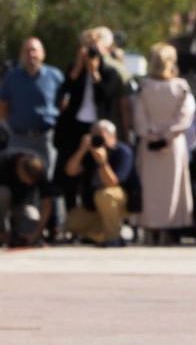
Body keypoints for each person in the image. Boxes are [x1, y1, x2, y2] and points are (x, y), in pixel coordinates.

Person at [53, 28, 129, 221]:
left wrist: (94, 72)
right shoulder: (74, 70)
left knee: (92, 173)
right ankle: (71, 217)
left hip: (98, 128)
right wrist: (78, 68)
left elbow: (105, 96)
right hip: (74, 129)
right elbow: (63, 94)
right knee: (69, 173)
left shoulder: (110, 73)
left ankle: (94, 218)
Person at [133, 43, 196, 244]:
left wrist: (152, 134)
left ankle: (152, 229)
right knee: (167, 188)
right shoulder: (179, 87)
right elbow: (185, 116)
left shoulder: (146, 88)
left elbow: (139, 117)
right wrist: (168, 134)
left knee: (152, 187)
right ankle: (167, 229)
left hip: (152, 143)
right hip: (172, 144)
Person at [63, 119, 134, 247]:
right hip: (95, 205)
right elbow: (70, 171)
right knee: (72, 222)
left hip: (119, 199)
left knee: (104, 195)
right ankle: (98, 234)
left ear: (112, 135)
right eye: (94, 135)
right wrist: (82, 150)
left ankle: (114, 237)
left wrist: (102, 162)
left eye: (101, 135)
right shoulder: (89, 153)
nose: (98, 139)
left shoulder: (122, 151)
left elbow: (113, 183)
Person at [0, 37, 64, 169]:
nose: (31, 54)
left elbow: (63, 103)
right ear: (21, 54)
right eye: (27, 51)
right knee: (16, 179)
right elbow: (3, 105)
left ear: (43, 53)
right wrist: (10, 127)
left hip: (46, 138)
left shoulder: (55, 76)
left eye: (34, 50)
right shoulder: (11, 77)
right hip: (18, 137)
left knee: (46, 180)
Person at [0, 150, 47, 247]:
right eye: (27, 179)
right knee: (3, 193)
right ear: (20, 169)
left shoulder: (39, 170)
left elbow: (47, 202)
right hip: (2, 207)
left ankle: (18, 235)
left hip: (22, 206)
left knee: (31, 220)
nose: (29, 183)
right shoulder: (4, 162)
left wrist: (37, 233)